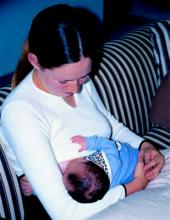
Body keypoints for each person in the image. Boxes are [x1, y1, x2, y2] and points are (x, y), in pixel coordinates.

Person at [0, 3, 165, 220]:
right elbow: (65, 213)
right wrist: (134, 186)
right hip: (79, 209)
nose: (75, 88)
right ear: (35, 61)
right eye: (64, 80)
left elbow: (110, 125)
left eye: (83, 77)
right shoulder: (20, 113)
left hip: (118, 181)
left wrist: (145, 147)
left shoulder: (78, 79)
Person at [63, 135, 148, 203]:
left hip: (138, 157)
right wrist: (89, 142)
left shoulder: (102, 187)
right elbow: (109, 144)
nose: (64, 171)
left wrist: (88, 142)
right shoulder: (111, 160)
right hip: (136, 156)